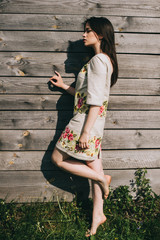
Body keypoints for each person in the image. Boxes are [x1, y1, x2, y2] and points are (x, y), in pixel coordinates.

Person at [49, 17, 118, 237]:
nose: (83, 35)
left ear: (100, 34)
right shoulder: (103, 60)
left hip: (85, 122)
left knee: (57, 159)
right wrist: (64, 86)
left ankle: (100, 179)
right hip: (92, 121)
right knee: (94, 166)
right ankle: (98, 214)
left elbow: (96, 101)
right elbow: (84, 95)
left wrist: (85, 132)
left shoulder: (98, 60)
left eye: (88, 31)